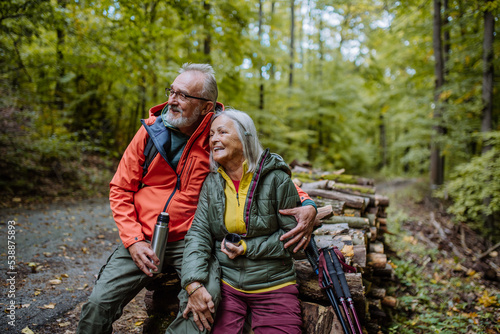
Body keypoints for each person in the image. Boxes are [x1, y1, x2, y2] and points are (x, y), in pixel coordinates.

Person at [76, 63, 317, 334]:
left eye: (182, 95)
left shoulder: (219, 134)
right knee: (98, 304)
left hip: (192, 242)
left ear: (205, 106)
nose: (172, 100)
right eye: (172, 91)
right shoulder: (150, 132)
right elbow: (120, 189)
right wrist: (133, 240)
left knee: (205, 300)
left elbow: (258, 171)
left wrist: (307, 203)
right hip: (143, 238)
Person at [181, 108, 307, 334]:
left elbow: (294, 240)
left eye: (222, 132)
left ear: (245, 136)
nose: (214, 139)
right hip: (227, 286)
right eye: (211, 134)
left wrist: (248, 248)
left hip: (274, 286)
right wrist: (193, 282)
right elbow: (198, 234)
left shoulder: (277, 179)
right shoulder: (212, 183)